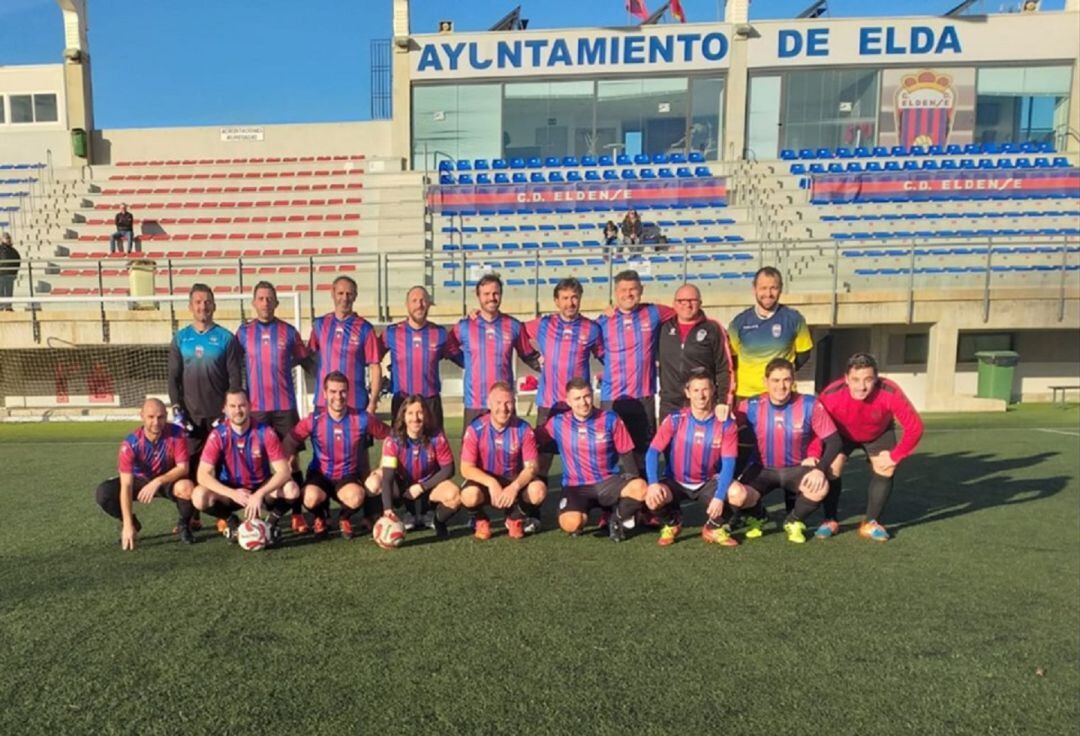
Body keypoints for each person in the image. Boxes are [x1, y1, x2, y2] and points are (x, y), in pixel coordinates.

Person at [726, 266, 813, 530]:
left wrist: (780, 381)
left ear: (780, 288)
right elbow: (732, 359)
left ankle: (792, 514)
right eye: (763, 287)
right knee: (743, 457)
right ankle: (744, 510)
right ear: (754, 289)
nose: (768, 292)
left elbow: (804, 353)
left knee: (789, 453)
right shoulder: (739, 322)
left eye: (773, 287)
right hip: (747, 398)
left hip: (781, 400)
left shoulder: (794, 319)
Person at [814, 352, 924, 542]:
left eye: (868, 379)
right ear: (846, 378)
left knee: (886, 468)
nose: (861, 386)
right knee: (833, 467)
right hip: (841, 434)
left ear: (876, 378)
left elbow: (915, 427)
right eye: (855, 379)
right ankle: (830, 519)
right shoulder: (831, 395)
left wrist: (895, 456)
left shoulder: (890, 391)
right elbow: (817, 427)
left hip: (878, 433)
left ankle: (871, 522)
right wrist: (814, 454)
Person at [732, 358, 842, 544]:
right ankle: (758, 516)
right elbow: (726, 432)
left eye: (786, 380)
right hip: (762, 469)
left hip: (796, 468)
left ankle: (793, 521)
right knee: (735, 495)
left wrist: (820, 468)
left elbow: (834, 441)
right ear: (765, 382)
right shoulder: (749, 406)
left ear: (793, 381)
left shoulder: (809, 405)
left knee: (820, 487)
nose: (781, 386)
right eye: (775, 380)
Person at [235, 281, 311, 534]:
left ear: (277, 302)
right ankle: (264, 507)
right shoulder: (243, 333)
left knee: (291, 462)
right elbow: (233, 367)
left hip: (285, 408)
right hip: (256, 410)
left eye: (270, 298)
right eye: (261, 298)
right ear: (254, 302)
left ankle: (297, 513)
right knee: (261, 463)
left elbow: (307, 362)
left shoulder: (289, 332)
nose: (265, 303)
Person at [167, 283, 243, 535]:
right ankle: (190, 517)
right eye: (198, 302)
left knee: (218, 466)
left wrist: (226, 413)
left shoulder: (226, 338)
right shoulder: (181, 338)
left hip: (217, 416)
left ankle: (221, 514)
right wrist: (177, 409)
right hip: (189, 417)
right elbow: (173, 378)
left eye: (207, 301)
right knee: (187, 466)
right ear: (190, 307)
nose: (203, 306)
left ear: (214, 305)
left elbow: (235, 379)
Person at [283, 372, 390, 539]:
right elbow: (290, 441)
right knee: (310, 497)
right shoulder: (314, 420)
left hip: (347, 477)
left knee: (356, 497)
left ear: (348, 392)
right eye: (333, 391)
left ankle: (344, 518)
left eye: (342, 391)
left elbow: (390, 436)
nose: (338, 397)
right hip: (320, 476)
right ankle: (321, 517)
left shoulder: (361, 418)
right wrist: (287, 465)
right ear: (325, 394)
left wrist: (384, 466)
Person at [538, 377, 647, 542]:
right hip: (576, 486)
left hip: (607, 482)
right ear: (568, 401)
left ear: (592, 395)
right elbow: (532, 439)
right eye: (577, 398)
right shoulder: (558, 423)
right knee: (571, 524)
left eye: (587, 396)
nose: (583, 402)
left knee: (640, 488)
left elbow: (626, 453)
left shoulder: (610, 419)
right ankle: (585, 512)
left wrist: (633, 484)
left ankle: (616, 518)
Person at [644, 371, 739, 547]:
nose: (701, 395)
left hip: (708, 481)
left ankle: (713, 527)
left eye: (705, 389)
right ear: (687, 392)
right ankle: (672, 523)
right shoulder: (675, 420)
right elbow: (652, 452)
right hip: (676, 481)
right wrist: (653, 483)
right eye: (695, 390)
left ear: (713, 391)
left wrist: (719, 496)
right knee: (651, 497)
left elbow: (728, 463)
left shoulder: (726, 424)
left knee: (739, 495)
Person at [192, 389, 299, 544]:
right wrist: (232, 493)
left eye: (242, 405)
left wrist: (259, 493)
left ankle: (270, 523)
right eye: (233, 406)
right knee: (198, 497)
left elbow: (284, 471)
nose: (237, 410)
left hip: (261, 489)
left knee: (292, 489)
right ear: (225, 409)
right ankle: (231, 521)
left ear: (249, 406)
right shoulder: (218, 435)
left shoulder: (265, 432)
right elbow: (202, 475)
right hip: (232, 492)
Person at [524, 277, 604, 485]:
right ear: (556, 301)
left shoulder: (592, 329)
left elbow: (605, 356)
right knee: (542, 458)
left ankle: (583, 503)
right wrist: (534, 359)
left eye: (574, 297)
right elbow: (514, 330)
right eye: (565, 298)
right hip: (549, 404)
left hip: (578, 405)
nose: (570, 303)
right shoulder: (543, 324)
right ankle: (534, 512)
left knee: (583, 456)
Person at [596, 269, 675, 474]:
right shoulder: (603, 321)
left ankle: (646, 499)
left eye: (633, 289)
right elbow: (596, 350)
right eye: (623, 290)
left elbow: (682, 311)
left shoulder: (654, 312)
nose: (628, 294)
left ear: (641, 290)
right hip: (612, 398)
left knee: (645, 452)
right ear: (615, 292)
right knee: (609, 452)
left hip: (643, 397)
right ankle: (610, 502)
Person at [93, 398, 196, 548]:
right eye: (151, 417)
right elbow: (127, 485)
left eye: (160, 417)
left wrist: (158, 481)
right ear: (142, 416)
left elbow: (182, 468)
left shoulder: (176, 434)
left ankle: (184, 525)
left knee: (186, 487)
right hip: (140, 481)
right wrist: (127, 525)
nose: (156, 422)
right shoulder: (130, 444)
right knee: (104, 492)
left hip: (166, 480)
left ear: (166, 416)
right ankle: (133, 524)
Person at [449, 273, 540, 426]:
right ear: (478, 296)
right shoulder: (464, 326)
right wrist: (468, 362)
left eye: (495, 293)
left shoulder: (513, 325)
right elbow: (448, 348)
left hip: (504, 404)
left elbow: (529, 355)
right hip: (475, 404)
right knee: (472, 450)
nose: (491, 298)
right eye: (486, 294)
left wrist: (553, 368)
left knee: (509, 449)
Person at [459, 382, 547, 540]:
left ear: (514, 404)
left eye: (508, 403)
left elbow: (532, 467)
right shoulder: (475, 429)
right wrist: (491, 482)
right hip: (485, 483)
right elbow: (466, 468)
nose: (504, 408)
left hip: (513, 480)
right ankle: (480, 519)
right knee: (469, 495)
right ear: (489, 404)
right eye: (498, 403)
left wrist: (514, 487)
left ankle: (514, 518)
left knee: (538, 490)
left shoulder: (523, 429)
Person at [368, 395, 461, 540]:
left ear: (426, 415)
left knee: (454, 494)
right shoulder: (393, 440)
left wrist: (422, 487)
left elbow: (449, 469)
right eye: (410, 413)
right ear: (403, 416)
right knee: (373, 482)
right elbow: (387, 478)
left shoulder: (437, 436)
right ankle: (395, 515)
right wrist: (387, 509)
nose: (415, 418)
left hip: (428, 485)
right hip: (402, 487)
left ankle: (437, 520)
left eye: (419, 413)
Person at [379, 285, 462, 432]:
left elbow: (464, 360)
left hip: (430, 403)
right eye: (414, 300)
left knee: (433, 451)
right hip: (402, 402)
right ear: (407, 305)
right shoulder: (391, 333)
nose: (419, 305)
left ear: (429, 304)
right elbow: (371, 356)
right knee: (400, 450)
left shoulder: (440, 334)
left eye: (423, 300)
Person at [657, 283, 733, 424]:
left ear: (700, 303)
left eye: (692, 300)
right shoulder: (662, 328)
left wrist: (723, 401)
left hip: (702, 402)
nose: (687, 305)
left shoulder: (713, 328)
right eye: (681, 301)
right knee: (667, 445)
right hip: (670, 404)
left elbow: (725, 368)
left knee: (699, 445)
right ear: (674, 303)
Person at [307, 275, 382, 414]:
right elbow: (309, 357)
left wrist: (373, 403)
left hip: (355, 403)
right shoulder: (320, 324)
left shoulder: (365, 328)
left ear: (355, 296)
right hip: (324, 403)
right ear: (332, 293)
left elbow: (375, 367)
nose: (345, 298)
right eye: (340, 293)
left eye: (349, 294)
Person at [0, 232, 19, 310]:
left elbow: (17, 260)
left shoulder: (13, 250)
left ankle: (8, 307)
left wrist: (14, 272)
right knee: (1, 291)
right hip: (1, 274)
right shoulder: (1, 249)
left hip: (9, 275)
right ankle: (1, 307)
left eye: (8, 238)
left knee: (8, 291)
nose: (8, 239)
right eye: (6, 238)